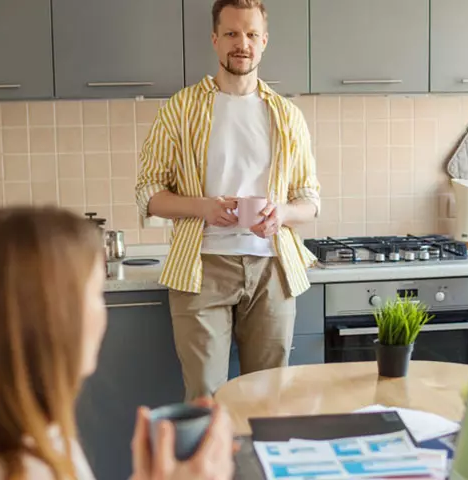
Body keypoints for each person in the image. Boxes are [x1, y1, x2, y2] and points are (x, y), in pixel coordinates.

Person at [0, 206, 234, 480]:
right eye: (95, 293)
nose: (102, 311)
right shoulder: (21, 469)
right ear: (51, 321)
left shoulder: (28, 445)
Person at [135, 0, 320, 401]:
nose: (243, 44)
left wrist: (282, 214)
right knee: (205, 398)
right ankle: (208, 466)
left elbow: (309, 199)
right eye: (233, 34)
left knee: (269, 397)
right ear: (215, 40)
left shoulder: (287, 116)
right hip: (201, 267)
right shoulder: (181, 109)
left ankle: (257, 466)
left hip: (272, 269)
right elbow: (148, 193)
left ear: (264, 41)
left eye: (252, 34)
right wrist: (204, 207)